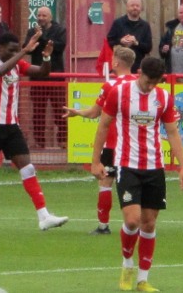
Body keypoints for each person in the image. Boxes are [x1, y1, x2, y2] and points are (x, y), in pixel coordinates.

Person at [90, 57, 183, 292]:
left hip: (155, 167)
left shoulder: (163, 97)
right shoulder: (119, 92)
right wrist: (95, 161)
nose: (149, 87)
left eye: (154, 83)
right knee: (132, 219)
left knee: (149, 222)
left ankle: (143, 279)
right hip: (127, 164)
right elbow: (103, 125)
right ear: (139, 73)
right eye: (147, 81)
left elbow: (173, 133)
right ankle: (127, 264)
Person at [0, 31, 69, 232]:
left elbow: (43, 72)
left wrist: (47, 56)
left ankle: (44, 216)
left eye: (17, 49)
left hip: (12, 126)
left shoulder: (18, 64)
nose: (15, 53)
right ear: (0, 48)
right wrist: (24, 51)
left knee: (28, 168)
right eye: (11, 49)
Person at [63, 46, 136, 235]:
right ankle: (140, 224)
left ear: (116, 63)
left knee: (105, 183)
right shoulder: (140, 84)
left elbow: (95, 112)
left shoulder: (111, 86)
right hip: (134, 145)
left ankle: (103, 226)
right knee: (136, 183)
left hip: (113, 144)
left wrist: (77, 112)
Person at [23, 7, 68, 149]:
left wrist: (41, 38)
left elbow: (59, 47)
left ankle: (63, 139)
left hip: (56, 76)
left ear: (50, 17)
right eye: (39, 15)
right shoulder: (32, 32)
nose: (41, 18)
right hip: (38, 76)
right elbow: (27, 48)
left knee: (60, 109)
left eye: (44, 15)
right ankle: (39, 142)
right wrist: (36, 38)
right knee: (38, 110)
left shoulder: (60, 30)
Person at [106, 0, 152, 73]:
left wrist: (136, 43)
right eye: (132, 5)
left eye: (137, 6)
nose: (135, 8)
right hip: (119, 67)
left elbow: (148, 48)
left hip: (137, 68)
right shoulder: (118, 23)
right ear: (127, 7)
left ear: (141, 8)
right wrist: (121, 41)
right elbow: (109, 42)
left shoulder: (145, 26)